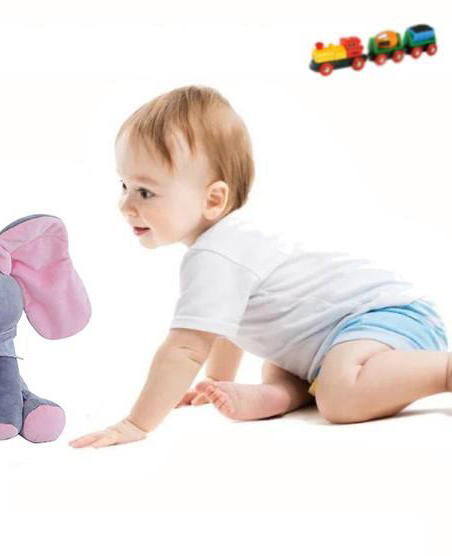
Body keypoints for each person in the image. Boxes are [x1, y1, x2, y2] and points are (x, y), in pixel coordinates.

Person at [69, 85, 449, 449]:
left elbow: (186, 347)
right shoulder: (227, 245)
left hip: (388, 319)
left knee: (339, 396)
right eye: (124, 185)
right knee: (279, 363)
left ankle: (444, 370)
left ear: (213, 200)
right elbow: (225, 326)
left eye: (145, 192)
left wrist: (136, 423)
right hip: (335, 339)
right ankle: (284, 393)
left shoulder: (216, 254)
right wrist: (216, 381)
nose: (125, 205)